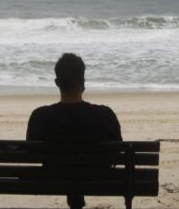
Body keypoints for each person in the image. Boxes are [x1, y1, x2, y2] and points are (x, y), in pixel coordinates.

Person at [26, 53, 122, 209]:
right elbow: (117, 153)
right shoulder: (105, 115)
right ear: (83, 82)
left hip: (54, 177)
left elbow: (31, 153)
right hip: (96, 177)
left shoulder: (39, 116)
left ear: (57, 83)